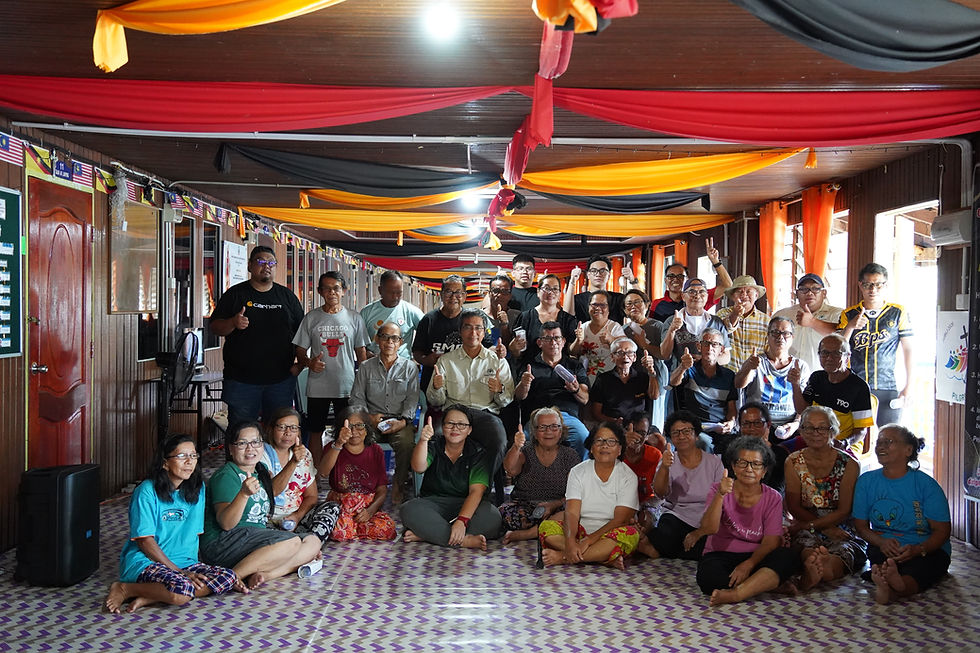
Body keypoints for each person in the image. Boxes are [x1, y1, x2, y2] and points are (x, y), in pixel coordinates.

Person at [105, 434, 242, 613]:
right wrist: (179, 571)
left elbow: (195, 534)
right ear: (165, 463)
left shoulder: (197, 488)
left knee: (229, 576)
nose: (189, 462)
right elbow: (144, 540)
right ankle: (125, 588)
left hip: (185, 562)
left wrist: (195, 569)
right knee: (182, 590)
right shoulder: (146, 491)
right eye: (181, 456)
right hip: (147, 561)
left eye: (193, 456)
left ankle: (151, 596)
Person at [200, 422, 322, 590]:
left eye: (256, 442)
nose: (250, 448)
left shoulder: (260, 470)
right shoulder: (227, 475)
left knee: (313, 542)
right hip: (223, 543)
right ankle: (231, 577)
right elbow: (226, 524)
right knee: (292, 543)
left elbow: (275, 491)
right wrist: (243, 494)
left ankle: (264, 575)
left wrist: (293, 461)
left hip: (251, 539)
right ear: (231, 448)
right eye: (242, 443)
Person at [853, 424, 952, 605]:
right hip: (884, 546)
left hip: (926, 549)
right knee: (885, 559)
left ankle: (893, 586)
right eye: (878, 442)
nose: (880, 447)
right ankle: (891, 584)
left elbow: (942, 531)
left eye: (888, 442)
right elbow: (860, 526)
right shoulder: (866, 481)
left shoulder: (925, 484)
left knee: (923, 566)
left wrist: (918, 549)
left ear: (908, 450)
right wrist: (881, 542)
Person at [695, 436, 800, 605]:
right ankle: (764, 584)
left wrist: (749, 564)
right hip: (721, 554)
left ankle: (736, 594)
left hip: (756, 555)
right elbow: (709, 528)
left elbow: (771, 541)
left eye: (756, 464)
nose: (749, 469)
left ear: (764, 471)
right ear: (734, 467)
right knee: (708, 578)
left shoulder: (773, 497)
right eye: (742, 463)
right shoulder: (718, 488)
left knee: (788, 558)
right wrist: (720, 496)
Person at [209, 246, 304, 428]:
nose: (266, 266)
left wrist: (300, 363)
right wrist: (233, 323)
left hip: (281, 380)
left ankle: (274, 459)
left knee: (278, 430)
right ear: (250, 266)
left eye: (271, 262)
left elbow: (302, 333)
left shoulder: (287, 297)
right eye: (261, 261)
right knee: (241, 429)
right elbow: (215, 327)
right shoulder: (235, 294)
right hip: (241, 381)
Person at [785, 406, 866, 591]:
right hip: (807, 523)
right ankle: (813, 565)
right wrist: (820, 527)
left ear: (833, 430)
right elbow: (793, 506)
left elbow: (845, 510)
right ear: (801, 431)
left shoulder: (850, 464)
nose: (816, 433)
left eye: (822, 427)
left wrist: (826, 527)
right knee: (806, 547)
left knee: (842, 553)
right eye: (809, 427)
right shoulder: (793, 461)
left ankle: (822, 568)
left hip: (841, 526)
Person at [539, 421, 640, 569]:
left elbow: (620, 520)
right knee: (546, 527)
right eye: (599, 441)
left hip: (609, 532)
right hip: (580, 530)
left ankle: (564, 557)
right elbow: (572, 512)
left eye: (611, 442)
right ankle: (601, 558)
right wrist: (570, 541)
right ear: (591, 448)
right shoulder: (577, 472)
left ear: (619, 449)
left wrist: (587, 541)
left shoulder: (628, 476)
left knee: (630, 534)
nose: (604, 445)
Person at [293, 270, 370, 464]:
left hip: (347, 387)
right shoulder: (311, 318)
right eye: (326, 289)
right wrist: (310, 362)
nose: (332, 293)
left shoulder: (354, 318)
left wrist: (363, 384)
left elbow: (362, 355)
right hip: (318, 386)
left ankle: (344, 470)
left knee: (348, 431)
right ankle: (316, 472)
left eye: (336, 288)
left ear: (344, 291)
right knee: (315, 430)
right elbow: (300, 350)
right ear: (319, 292)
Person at [426, 309, 514, 478]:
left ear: (484, 332)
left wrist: (500, 390)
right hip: (454, 413)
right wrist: (437, 388)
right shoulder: (446, 361)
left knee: (499, 441)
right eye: (468, 327)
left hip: (485, 414)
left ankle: (481, 486)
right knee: (434, 438)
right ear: (460, 331)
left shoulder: (497, 361)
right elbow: (436, 402)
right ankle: (444, 487)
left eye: (478, 328)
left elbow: (506, 401)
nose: (473, 332)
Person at [401, 407, 502, 550]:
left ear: (470, 430)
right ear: (442, 427)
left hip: (467, 504)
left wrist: (462, 521)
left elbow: (476, 492)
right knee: (408, 509)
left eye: (462, 424)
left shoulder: (479, 453)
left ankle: (428, 535)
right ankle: (462, 541)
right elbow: (418, 467)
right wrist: (423, 440)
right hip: (434, 503)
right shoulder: (434, 445)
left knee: (493, 518)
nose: (455, 428)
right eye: (450, 423)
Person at [637, 411, 725, 561]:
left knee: (714, 544)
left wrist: (701, 531)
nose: (681, 436)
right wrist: (665, 467)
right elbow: (660, 493)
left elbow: (720, 499)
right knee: (665, 536)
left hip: (706, 517)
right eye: (676, 432)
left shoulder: (714, 462)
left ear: (697, 435)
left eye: (687, 431)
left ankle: (666, 550)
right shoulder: (668, 459)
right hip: (676, 515)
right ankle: (680, 550)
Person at [349, 322, 421, 503]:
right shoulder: (366, 367)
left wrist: (404, 421)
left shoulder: (410, 367)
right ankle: (369, 485)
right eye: (385, 337)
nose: (390, 342)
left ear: (400, 342)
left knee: (406, 443)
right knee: (360, 439)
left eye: (394, 338)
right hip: (371, 419)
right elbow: (356, 398)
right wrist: (369, 418)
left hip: (399, 420)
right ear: (377, 340)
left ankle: (399, 483)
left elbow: (412, 399)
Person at [838, 263, 914, 426]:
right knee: (857, 438)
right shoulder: (848, 314)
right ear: (860, 285)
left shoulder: (898, 312)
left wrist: (909, 385)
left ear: (885, 285)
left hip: (887, 386)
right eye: (868, 284)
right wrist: (851, 326)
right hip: (855, 385)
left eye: (878, 284)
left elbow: (908, 349)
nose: (873, 289)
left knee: (889, 438)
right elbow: (838, 348)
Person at [499, 408, 580, 543]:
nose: (548, 432)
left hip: (558, 507)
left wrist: (553, 505)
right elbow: (510, 469)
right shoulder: (526, 450)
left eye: (554, 427)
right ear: (535, 432)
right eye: (542, 427)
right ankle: (544, 529)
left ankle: (530, 533)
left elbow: (576, 493)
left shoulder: (570, 455)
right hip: (527, 506)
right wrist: (516, 446)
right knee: (504, 513)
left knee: (574, 512)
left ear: (561, 431)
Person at [316, 411, 397, 541]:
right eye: (349, 427)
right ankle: (353, 527)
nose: (354, 431)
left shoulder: (376, 450)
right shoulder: (332, 448)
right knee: (339, 531)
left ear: (367, 429)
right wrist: (339, 443)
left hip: (366, 508)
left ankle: (354, 528)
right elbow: (323, 473)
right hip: (341, 506)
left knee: (387, 529)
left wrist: (370, 511)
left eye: (359, 425)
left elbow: (382, 489)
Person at [514, 322, 590, 457]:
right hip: (537, 416)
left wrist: (576, 389)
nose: (553, 342)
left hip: (566, 416)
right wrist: (524, 384)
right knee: (522, 444)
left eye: (557, 338)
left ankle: (580, 477)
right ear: (539, 343)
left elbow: (585, 399)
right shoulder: (529, 365)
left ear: (563, 341)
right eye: (548, 339)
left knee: (583, 439)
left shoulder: (574, 365)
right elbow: (519, 396)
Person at [792, 333, 874, 455]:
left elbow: (861, 431)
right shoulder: (816, 378)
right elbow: (801, 410)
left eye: (836, 353)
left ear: (847, 356)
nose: (829, 358)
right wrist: (795, 384)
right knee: (782, 452)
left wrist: (844, 443)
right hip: (815, 439)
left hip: (843, 444)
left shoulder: (859, 387)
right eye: (824, 353)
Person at [413, 275, 492, 391]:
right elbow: (417, 351)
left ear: (464, 296)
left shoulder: (472, 319)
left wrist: (497, 350)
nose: (453, 297)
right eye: (448, 292)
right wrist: (426, 360)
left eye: (458, 293)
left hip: (466, 385)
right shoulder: (428, 320)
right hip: (434, 382)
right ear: (441, 295)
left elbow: (488, 346)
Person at [735, 317, 809, 440]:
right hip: (757, 424)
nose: (780, 337)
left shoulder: (801, 366)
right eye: (775, 332)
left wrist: (796, 424)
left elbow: (804, 405)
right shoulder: (756, 361)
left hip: (788, 425)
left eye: (786, 333)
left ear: (792, 338)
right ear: (768, 336)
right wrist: (749, 368)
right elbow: (739, 384)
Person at [669, 327, 737, 449]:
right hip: (695, 427)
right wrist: (682, 367)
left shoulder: (729, 375)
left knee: (736, 446)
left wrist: (731, 422)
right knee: (704, 443)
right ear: (699, 346)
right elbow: (673, 382)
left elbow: (731, 408)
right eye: (706, 343)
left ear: (721, 349)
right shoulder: (691, 369)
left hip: (720, 427)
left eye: (715, 344)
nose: (710, 348)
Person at [258, 408, 319, 530]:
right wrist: (294, 462)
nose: (288, 432)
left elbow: (312, 496)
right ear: (271, 429)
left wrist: (297, 516)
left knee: (332, 509)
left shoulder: (305, 454)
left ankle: (297, 540)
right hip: (268, 517)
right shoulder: (260, 454)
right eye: (282, 427)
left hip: (296, 516)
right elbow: (273, 491)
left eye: (293, 428)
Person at [649, 238, 733, 322]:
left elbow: (728, 285)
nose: (675, 280)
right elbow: (653, 328)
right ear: (665, 280)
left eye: (680, 276)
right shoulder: (657, 304)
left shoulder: (697, 298)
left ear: (687, 279)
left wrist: (715, 261)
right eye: (671, 276)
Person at [712, 402, 789, 493]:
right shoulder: (728, 447)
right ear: (740, 426)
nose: (751, 428)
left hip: (766, 502)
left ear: (768, 424)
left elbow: (777, 490)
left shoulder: (780, 454)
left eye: (757, 423)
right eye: (746, 423)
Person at [510, 273, 580, 369]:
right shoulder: (525, 317)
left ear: (560, 294)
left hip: (560, 371)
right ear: (538, 292)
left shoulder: (568, 319)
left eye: (555, 289)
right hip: (530, 371)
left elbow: (572, 352)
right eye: (546, 288)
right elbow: (518, 352)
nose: (550, 292)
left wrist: (579, 340)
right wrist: (514, 349)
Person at [772, 274, 841, 371]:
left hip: (823, 377)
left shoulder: (837, 315)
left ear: (824, 293)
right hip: (786, 376)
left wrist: (812, 322)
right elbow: (771, 346)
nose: (809, 293)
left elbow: (843, 337)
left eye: (816, 289)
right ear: (797, 293)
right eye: (804, 289)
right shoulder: (783, 315)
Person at [622, 288, 670, 428]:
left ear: (647, 305)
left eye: (637, 302)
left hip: (656, 373)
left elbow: (664, 354)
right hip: (634, 376)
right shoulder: (623, 329)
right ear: (625, 310)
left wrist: (645, 345)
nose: (633, 306)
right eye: (629, 304)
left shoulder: (657, 326)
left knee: (654, 414)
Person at [659, 279, 730, 369]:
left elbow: (726, 357)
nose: (697, 296)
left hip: (710, 378)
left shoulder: (716, 322)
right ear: (683, 296)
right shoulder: (671, 321)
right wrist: (672, 330)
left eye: (702, 292)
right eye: (692, 292)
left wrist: (705, 359)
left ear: (707, 296)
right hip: (680, 377)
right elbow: (665, 354)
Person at [589, 337, 659, 424]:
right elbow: (596, 413)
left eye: (629, 353)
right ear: (612, 357)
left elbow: (654, 396)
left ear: (634, 357)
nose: (625, 357)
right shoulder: (603, 379)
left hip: (638, 426)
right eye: (620, 353)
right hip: (613, 426)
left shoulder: (642, 377)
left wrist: (651, 371)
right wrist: (614, 422)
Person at [360, 269, 424, 359]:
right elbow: (358, 342)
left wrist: (419, 357)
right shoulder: (367, 312)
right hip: (375, 365)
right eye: (390, 292)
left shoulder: (412, 312)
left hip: (402, 367)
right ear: (380, 290)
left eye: (399, 293)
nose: (395, 297)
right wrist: (366, 355)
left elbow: (427, 335)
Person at [571, 289, 627, 384]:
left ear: (608, 309)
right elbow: (573, 352)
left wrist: (611, 340)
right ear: (589, 307)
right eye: (594, 304)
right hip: (585, 378)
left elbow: (625, 351)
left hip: (609, 379)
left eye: (602, 305)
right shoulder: (583, 327)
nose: (598, 308)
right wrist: (578, 341)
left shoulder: (614, 327)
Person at [717, 275, 770, 373]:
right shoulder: (722, 313)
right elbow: (724, 329)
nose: (744, 295)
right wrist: (735, 314)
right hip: (727, 374)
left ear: (756, 295)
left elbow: (769, 353)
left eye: (749, 291)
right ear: (733, 296)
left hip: (754, 376)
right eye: (739, 291)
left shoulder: (766, 321)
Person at [564, 255, 635, 324]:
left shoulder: (618, 298)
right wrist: (572, 281)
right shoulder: (578, 299)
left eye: (602, 270)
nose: (598, 274)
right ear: (588, 275)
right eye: (594, 270)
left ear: (609, 275)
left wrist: (632, 280)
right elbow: (567, 315)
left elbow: (641, 309)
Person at [622, 412, 663, 530]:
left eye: (642, 433)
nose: (637, 437)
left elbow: (659, 493)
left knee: (645, 521)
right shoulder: (615, 452)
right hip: (620, 502)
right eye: (633, 431)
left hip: (648, 502)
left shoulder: (655, 455)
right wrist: (623, 446)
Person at [485, 273, 521, 346]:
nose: (499, 295)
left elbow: (514, 347)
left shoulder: (517, 316)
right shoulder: (478, 316)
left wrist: (504, 325)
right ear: (489, 293)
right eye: (495, 291)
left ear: (510, 295)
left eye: (504, 291)